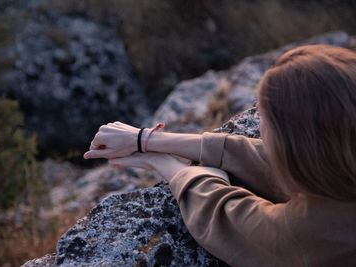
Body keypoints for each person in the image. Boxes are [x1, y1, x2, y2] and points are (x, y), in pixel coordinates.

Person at [83, 45, 356, 266]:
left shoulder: (317, 232)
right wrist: (147, 140)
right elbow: (284, 160)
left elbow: (233, 222)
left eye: (265, 119)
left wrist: (165, 164)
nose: (260, 129)